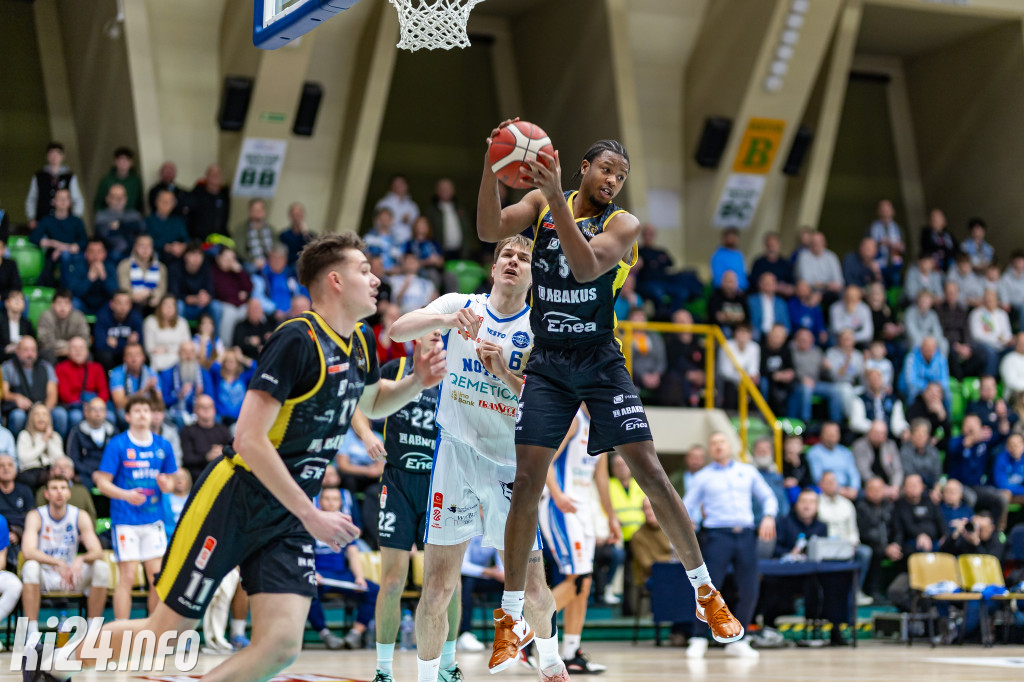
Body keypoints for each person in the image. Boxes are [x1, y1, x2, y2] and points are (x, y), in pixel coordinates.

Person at [26, 232, 448, 682]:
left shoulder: (361, 340)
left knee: (280, 645)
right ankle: (49, 661)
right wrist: (311, 515)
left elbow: (373, 404)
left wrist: (416, 382)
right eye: (364, 270)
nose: (376, 279)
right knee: (166, 632)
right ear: (335, 280)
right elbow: (248, 438)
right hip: (238, 497)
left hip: (287, 514)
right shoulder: (296, 339)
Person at [476, 126, 743, 674]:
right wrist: (490, 165)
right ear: (583, 168)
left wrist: (553, 197)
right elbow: (487, 228)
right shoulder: (540, 204)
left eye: (621, 176)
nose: (613, 180)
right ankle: (511, 615)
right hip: (549, 363)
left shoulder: (624, 224)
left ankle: (704, 591)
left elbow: (585, 267)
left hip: (599, 361)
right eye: (606, 170)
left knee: (650, 472)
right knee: (526, 483)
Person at [388, 233, 567, 682]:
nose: (513, 261)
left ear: (533, 274)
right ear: (493, 268)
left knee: (534, 590)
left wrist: (503, 372)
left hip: (510, 466)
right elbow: (397, 330)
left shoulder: (540, 327)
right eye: (506, 254)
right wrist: (446, 320)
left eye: (523, 257)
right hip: (455, 455)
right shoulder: (461, 305)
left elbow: (551, 406)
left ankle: (550, 661)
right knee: (436, 589)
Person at [350, 330, 457, 678]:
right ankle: (383, 669)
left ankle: (448, 664)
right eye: (430, 333)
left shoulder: (455, 375)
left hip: (440, 484)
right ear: (415, 338)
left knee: (446, 582)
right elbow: (357, 404)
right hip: (397, 481)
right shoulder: (394, 370)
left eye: (441, 335)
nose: (436, 340)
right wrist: (367, 434)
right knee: (392, 581)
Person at [538, 406, 620, 672]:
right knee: (577, 580)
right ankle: (526, 633)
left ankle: (572, 653)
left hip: (583, 510)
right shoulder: (574, 420)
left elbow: (601, 478)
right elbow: (545, 459)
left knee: (584, 584)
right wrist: (557, 495)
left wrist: (611, 516)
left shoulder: (602, 426)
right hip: (560, 505)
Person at [682, 432, 776, 659]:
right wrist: (690, 520)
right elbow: (687, 504)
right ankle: (698, 637)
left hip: (745, 535)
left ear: (730, 446)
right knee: (707, 589)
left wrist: (768, 516)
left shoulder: (748, 471)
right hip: (717, 535)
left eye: (722, 442)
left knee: (749, 588)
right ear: (710, 449)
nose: (718, 446)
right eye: (713, 443)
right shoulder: (702, 476)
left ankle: (738, 639)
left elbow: (768, 497)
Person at [94, 396, 177, 620]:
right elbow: (102, 483)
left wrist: (166, 484)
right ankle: (122, 628)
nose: (142, 414)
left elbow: (171, 482)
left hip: (153, 520)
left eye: (146, 410)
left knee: (157, 578)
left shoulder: (163, 445)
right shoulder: (118, 444)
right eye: (138, 410)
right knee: (127, 577)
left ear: (152, 416)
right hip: (125, 520)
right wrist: (126, 495)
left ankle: (153, 629)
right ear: (128, 416)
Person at [20, 476, 110, 641]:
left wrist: (80, 559)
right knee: (30, 567)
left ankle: (92, 633)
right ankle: (32, 635)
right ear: (47, 494)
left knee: (101, 568)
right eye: (54, 488)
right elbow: (28, 551)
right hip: (46, 575)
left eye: (63, 488)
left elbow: (97, 551)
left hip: (71, 575)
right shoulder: (36, 516)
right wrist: (57, 562)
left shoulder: (79, 515)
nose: (59, 492)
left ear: (69, 493)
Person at [306, 486, 380, 651]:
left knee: (374, 590)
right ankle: (325, 634)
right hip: (319, 575)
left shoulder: (344, 526)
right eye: (327, 499)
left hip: (341, 574)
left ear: (341, 502)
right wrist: (312, 573)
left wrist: (359, 577)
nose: (331, 503)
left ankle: (355, 634)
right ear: (320, 501)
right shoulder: (311, 525)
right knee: (306, 591)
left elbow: (353, 553)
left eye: (335, 499)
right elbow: (305, 552)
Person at [816, 472, 873, 605]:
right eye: (828, 481)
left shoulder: (846, 504)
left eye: (833, 481)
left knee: (865, 552)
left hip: (846, 545)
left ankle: (855, 591)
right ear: (820, 485)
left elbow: (852, 530)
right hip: (825, 545)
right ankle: (821, 594)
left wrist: (853, 544)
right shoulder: (816, 503)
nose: (831, 484)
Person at [30, 188, 88, 285]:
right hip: (52, 257)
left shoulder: (76, 221)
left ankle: (68, 288)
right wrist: (51, 243)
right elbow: (33, 237)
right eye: (60, 198)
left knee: (68, 256)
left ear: (70, 202)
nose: (63, 201)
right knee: (60, 258)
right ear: (53, 201)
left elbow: (84, 241)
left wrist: (62, 248)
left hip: (73, 255)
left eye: (66, 198)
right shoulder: (47, 220)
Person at [458, 535, 504, 652]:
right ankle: (465, 633)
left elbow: (501, 565)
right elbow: (462, 566)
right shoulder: (467, 532)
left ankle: (506, 632)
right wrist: (488, 571)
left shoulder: (496, 533)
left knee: (507, 583)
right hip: (463, 577)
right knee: (468, 582)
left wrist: (502, 573)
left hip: (485, 576)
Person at [55, 336, 111, 432]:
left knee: (110, 416)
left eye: (81, 348)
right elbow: (65, 395)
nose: (78, 351)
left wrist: (94, 406)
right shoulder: (61, 368)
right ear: (68, 351)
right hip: (74, 406)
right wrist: (84, 406)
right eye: (74, 348)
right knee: (76, 417)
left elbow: (104, 392)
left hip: (96, 405)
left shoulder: (97, 368)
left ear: (87, 351)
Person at [25, 142, 84, 229]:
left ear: (62, 157)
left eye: (57, 154)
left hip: (64, 222)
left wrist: (75, 219)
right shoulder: (39, 176)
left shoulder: (69, 176)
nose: (54, 157)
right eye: (51, 153)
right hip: (42, 220)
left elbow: (77, 199)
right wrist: (31, 217)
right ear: (47, 156)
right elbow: (32, 198)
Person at [855, 477, 895, 600]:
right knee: (876, 552)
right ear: (866, 491)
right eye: (872, 489)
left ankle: (896, 592)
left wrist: (895, 543)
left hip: (889, 543)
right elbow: (864, 532)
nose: (876, 492)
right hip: (870, 543)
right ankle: (873, 590)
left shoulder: (890, 506)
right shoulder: (861, 506)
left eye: (879, 489)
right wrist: (885, 547)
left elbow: (897, 527)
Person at [179, 394, 232, 483]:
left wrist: (223, 452)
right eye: (202, 407)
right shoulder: (187, 431)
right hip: (198, 476)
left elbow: (233, 452)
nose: (206, 410)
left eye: (209, 407)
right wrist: (206, 457)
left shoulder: (223, 430)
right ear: (195, 410)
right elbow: (187, 459)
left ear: (214, 410)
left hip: (222, 474)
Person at [424, 178, 477, 261]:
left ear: (453, 190)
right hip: (441, 252)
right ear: (437, 191)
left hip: (460, 251)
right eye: (442, 188)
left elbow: (467, 230)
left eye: (448, 188)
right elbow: (428, 232)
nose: (445, 191)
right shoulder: (431, 210)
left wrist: (466, 250)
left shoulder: (460, 208)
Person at [210, 246, 253, 344]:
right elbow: (221, 293)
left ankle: (247, 345)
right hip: (224, 304)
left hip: (240, 305)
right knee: (230, 313)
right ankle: (226, 346)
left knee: (253, 309)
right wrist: (238, 294)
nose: (229, 261)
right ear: (218, 258)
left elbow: (249, 287)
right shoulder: (213, 271)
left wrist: (240, 272)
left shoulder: (236, 272)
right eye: (226, 258)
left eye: (232, 259)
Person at [806, 422, 860, 500]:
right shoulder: (814, 453)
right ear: (821, 435)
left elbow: (853, 473)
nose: (832, 436)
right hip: (824, 492)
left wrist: (854, 489)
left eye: (834, 434)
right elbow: (817, 478)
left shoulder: (845, 452)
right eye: (829, 434)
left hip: (848, 491)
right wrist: (838, 490)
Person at [93, 290, 144, 370]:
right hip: (110, 355)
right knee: (104, 356)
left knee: (139, 356)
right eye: (119, 303)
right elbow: (99, 345)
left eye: (126, 303)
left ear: (130, 305)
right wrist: (128, 343)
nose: (123, 307)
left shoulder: (136, 317)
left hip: (127, 353)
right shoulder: (102, 316)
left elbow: (140, 344)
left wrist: (117, 343)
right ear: (112, 304)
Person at [16, 404, 64, 490]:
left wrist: (49, 438)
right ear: (31, 418)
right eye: (37, 414)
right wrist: (43, 441)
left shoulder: (55, 436)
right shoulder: (25, 435)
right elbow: (24, 460)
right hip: (30, 472)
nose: (41, 418)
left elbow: (58, 459)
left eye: (44, 415)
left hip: (50, 471)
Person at [65, 239, 119, 316]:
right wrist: (89, 278)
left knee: (116, 304)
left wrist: (103, 277)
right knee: (74, 303)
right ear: (85, 254)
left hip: (103, 305)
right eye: (92, 252)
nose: (95, 255)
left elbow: (114, 293)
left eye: (99, 252)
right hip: (84, 303)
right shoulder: (78, 266)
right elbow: (74, 292)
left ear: (104, 254)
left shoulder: (110, 267)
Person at [109, 342, 159, 423]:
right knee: (122, 414)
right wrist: (143, 391)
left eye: (137, 355)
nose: (134, 359)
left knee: (158, 415)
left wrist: (153, 391)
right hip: (127, 410)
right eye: (130, 355)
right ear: (124, 358)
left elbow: (159, 404)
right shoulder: (117, 373)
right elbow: (119, 404)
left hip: (146, 409)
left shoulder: (151, 373)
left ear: (143, 357)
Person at [852, 420, 903, 500]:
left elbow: (897, 469)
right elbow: (863, 471)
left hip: (890, 486)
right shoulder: (860, 446)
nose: (879, 436)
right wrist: (881, 488)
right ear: (869, 432)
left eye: (882, 433)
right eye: (876, 432)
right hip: (868, 486)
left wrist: (895, 487)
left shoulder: (890, 445)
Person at [94, 183, 145, 262]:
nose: (119, 199)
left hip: (134, 250)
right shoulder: (101, 215)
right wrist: (129, 227)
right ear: (107, 199)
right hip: (112, 252)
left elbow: (142, 229)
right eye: (115, 196)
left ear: (126, 198)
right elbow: (103, 233)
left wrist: (119, 225)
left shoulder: (134, 214)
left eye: (122, 196)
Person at [118, 234, 168, 312]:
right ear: (135, 247)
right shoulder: (125, 265)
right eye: (141, 245)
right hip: (131, 303)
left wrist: (150, 293)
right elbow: (124, 288)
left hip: (153, 303)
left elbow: (161, 289)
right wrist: (133, 295)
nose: (145, 249)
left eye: (148, 246)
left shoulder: (161, 267)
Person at [144, 294, 191, 373]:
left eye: (172, 305)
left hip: (179, 358)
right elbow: (149, 348)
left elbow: (187, 346)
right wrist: (175, 350)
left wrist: (167, 349)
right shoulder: (150, 322)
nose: (169, 308)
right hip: (158, 359)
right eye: (166, 304)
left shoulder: (182, 323)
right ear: (160, 307)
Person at [92, 147, 144, 214]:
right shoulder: (106, 181)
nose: (123, 163)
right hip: (110, 217)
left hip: (130, 217)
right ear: (114, 162)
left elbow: (139, 204)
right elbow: (98, 204)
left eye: (126, 160)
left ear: (131, 163)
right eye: (120, 160)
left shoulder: (135, 181)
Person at [186, 164, 230, 242]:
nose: (216, 176)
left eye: (218, 174)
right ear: (207, 176)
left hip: (219, 239)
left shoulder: (224, 196)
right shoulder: (197, 194)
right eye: (213, 174)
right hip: (199, 241)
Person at [145, 189, 189, 264]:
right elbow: (148, 241)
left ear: (174, 204)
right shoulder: (148, 220)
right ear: (156, 202)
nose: (166, 204)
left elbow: (186, 239)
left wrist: (182, 246)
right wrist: (167, 247)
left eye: (169, 201)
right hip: (157, 255)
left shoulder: (178, 221)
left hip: (177, 254)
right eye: (163, 201)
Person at [375, 174, 419, 247]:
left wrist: (409, 221)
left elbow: (418, 227)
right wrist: (400, 219)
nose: (399, 186)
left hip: (408, 244)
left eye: (402, 183)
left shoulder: (412, 206)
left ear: (407, 186)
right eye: (396, 184)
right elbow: (378, 224)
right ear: (391, 186)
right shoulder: (383, 203)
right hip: (387, 243)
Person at [868, 199, 904, 285]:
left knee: (895, 283)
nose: (885, 213)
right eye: (883, 210)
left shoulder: (897, 228)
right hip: (878, 264)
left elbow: (903, 248)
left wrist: (898, 245)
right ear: (878, 212)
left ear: (893, 211)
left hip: (895, 263)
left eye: (887, 210)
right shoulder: (872, 228)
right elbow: (867, 247)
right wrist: (879, 243)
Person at [749, 231, 795, 297]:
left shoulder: (785, 264)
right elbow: (754, 282)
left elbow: (791, 284)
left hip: (781, 297)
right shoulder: (758, 263)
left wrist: (786, 288)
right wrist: (773, 286)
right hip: (761, 296)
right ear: (765, 246)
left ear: (778, 245)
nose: (772, 248)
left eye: (774, 245)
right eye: (769, 245)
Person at [747, 272, 790, 342]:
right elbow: (750, 321)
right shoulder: (751, 300)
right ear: (760, 284)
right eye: (766, 283)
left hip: (776, 335)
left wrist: (780, 333)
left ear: (775, 285)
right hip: (758, 334)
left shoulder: (781, 302)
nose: (768, 286)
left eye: (771, 283)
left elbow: (786, 324)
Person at [235, 198, 275, 269]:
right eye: (255, 210)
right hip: (251, 262)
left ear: (264, 212)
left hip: (270, 262)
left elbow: (276, 248)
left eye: (260, 210)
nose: (258, 212)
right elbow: (240, 250)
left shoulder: (271, 229)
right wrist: (253, 260)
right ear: (250, 212)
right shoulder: (241, 229)